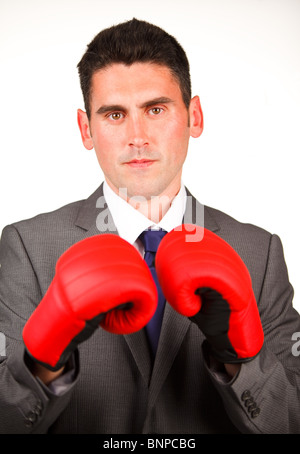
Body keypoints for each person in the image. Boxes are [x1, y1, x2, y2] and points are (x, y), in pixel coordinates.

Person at [0, 18, 299, 435]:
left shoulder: (259, 253)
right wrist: (43, 362)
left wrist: (237, 358)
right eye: (114, 114)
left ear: (194, 117)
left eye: (155, 109)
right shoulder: (27, 248)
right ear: (87, 129)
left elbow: (291, 421)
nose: (137, 136)